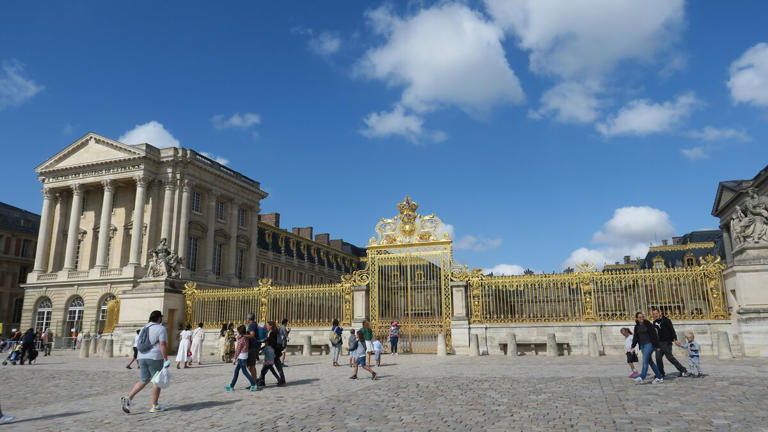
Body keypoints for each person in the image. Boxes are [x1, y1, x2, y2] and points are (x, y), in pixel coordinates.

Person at [121, 310, 169, 414]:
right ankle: (154, 405)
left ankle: (129, 397)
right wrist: (165, 359)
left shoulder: (144, 328)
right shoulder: (161, 329)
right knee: (156, 380)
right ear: (159, 318)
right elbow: (162, 345)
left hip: (141, 356)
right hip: (155, 357)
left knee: (144, 379)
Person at [652, 308, 688, 378]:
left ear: (660, 313)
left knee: (670, 357)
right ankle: (661, 373)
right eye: (653, 314)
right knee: (658, 358)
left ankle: (683, 370)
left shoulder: (666, 320)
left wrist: (675, 339)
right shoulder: (654, 322)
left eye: (656, 313)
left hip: (666, 342)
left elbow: (672, 330)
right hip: (659, 343)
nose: (655, 315)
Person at [631, 311, 664, 384]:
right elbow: (635, 337)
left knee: (645, 361)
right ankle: (659, 377)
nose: (642, 318)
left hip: (649, 344)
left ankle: (642, 376)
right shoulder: (637, 326)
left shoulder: (648, 324)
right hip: (642, 346)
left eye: (642, 317)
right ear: (637, 318)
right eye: (640, 317)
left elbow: (654, 335)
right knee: (650, 362)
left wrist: (657, 346)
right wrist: (633, 346)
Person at [225, 325, 258, 392]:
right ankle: (231, 386)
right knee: (236, 371)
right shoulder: (246, 338)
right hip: (245, 356)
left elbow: (238, 350)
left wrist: (234, 359)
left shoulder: (241, 340)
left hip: (241, 357)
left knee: (244, 372)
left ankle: (253, 384)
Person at [256, 321, 283, 388]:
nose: (266, 327)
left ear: (271, 326)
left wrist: (267, 341)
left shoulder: (272, 333)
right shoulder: (271, 332)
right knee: (268, 368)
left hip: (271, 353)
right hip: (271, 352)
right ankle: (262, 381)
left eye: (267, 325)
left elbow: (273, 343)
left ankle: (278, 379)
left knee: (267, 368)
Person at [245, 313, 260, 382]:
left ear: (249, 319)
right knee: (250, 365)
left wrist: (243, 335)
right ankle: (254, 380)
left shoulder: (252, 325)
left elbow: (252, 335)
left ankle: (254, 382)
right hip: (254, 346)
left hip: (252, 347)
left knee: (251, 366)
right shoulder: (255, 324)